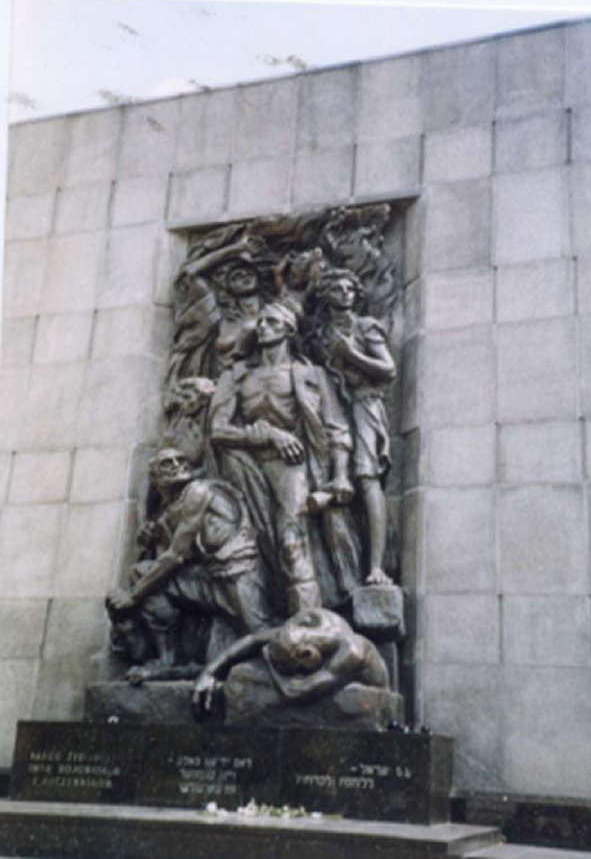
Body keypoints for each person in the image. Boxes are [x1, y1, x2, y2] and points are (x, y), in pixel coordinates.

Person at [208, 301, 360, 614]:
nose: (263, 327)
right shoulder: (236, 375)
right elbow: (217, 430)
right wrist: (266, 435)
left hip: (293, 466)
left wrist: (341, 476)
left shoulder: (312, 375)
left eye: (272, 322)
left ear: (289, 330)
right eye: (261, 322)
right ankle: (261, 616)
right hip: (245, 465)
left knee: (292, 541)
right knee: (255, 543)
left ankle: (308, 620)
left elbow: (337, 428)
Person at [106, 447, 270, 680]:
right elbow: (166, 558)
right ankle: (168, 660)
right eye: (167, 463)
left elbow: (175, 556)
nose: (177, 465)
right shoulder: (171, 509)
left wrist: (132, 598)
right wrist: (152, 539)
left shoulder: (198, 492)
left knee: (258, 630)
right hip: (210, 578)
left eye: (181, 460)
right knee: (142, 572)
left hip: (237, 573)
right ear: (154, 477)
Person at [310, 268, 396, 585]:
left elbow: (388, 369)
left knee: (367, 476)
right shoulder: (319, 334)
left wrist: (351, 355)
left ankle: (376, 567)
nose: (345, 292)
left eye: (349, 288)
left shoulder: (365, 327)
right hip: (330, 405)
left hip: (363, 403)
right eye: (337, 288)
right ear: (325, 295)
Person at [193, 607, 389, 712]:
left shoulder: (352, 652)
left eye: (293, 670)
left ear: (306, 654)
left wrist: (270, 665)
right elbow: (253, 640)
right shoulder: (304, 626)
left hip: (366, 694)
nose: (296, 674)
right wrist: (209, 672)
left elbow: (295, 691)